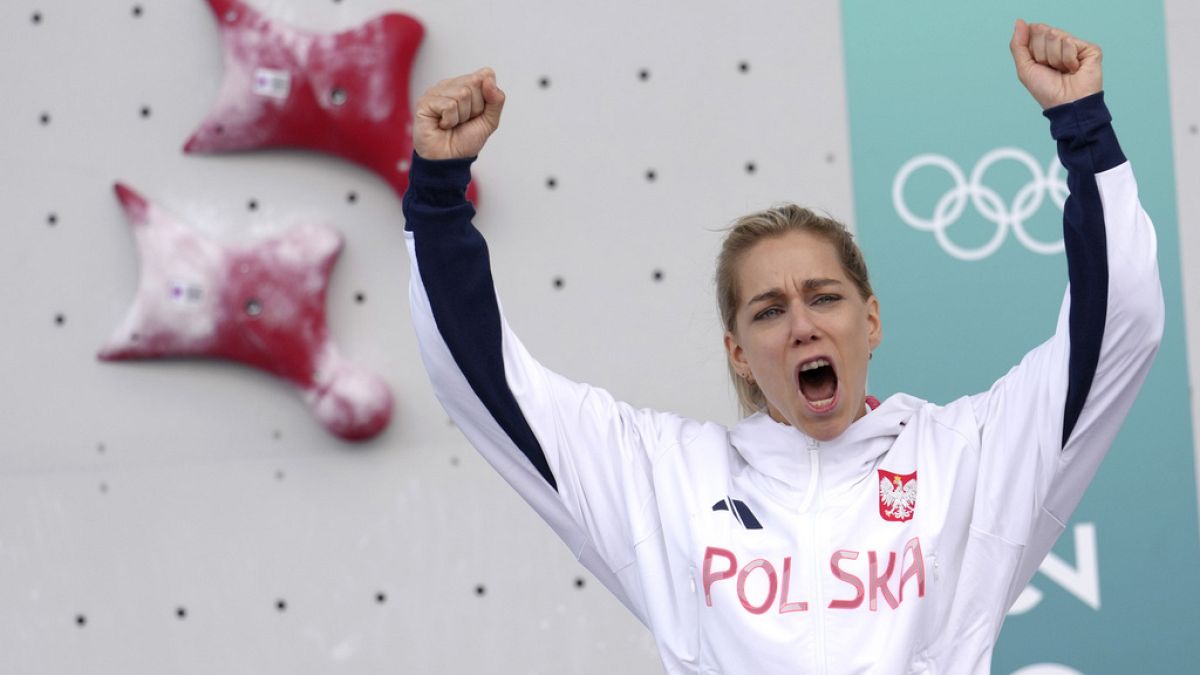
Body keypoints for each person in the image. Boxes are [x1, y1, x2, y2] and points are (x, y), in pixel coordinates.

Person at [402, 19, 1162, 674]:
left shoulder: (968, 457)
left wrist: (1081, 126)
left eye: (824, 297)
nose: (802, 325)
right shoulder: (669, 480)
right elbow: (485, 381)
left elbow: (1119, 321)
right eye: (769, 311)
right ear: (738, 352)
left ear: (871, 321)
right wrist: (437, 192)